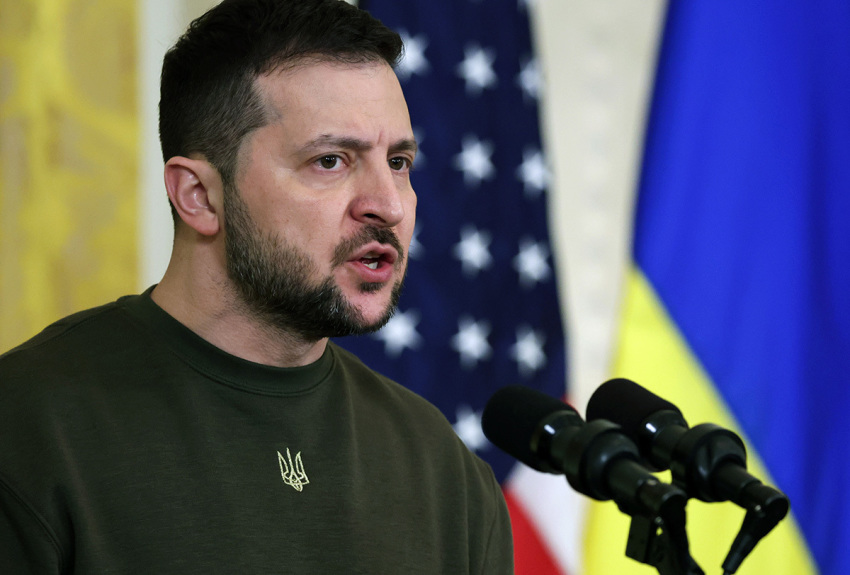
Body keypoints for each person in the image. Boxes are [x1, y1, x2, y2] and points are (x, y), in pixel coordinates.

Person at [0, 0, 514, 572]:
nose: (388, 205)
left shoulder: (445, 471)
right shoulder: (28, 426)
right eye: (330, 161)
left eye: (398, 161)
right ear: (198, 195)